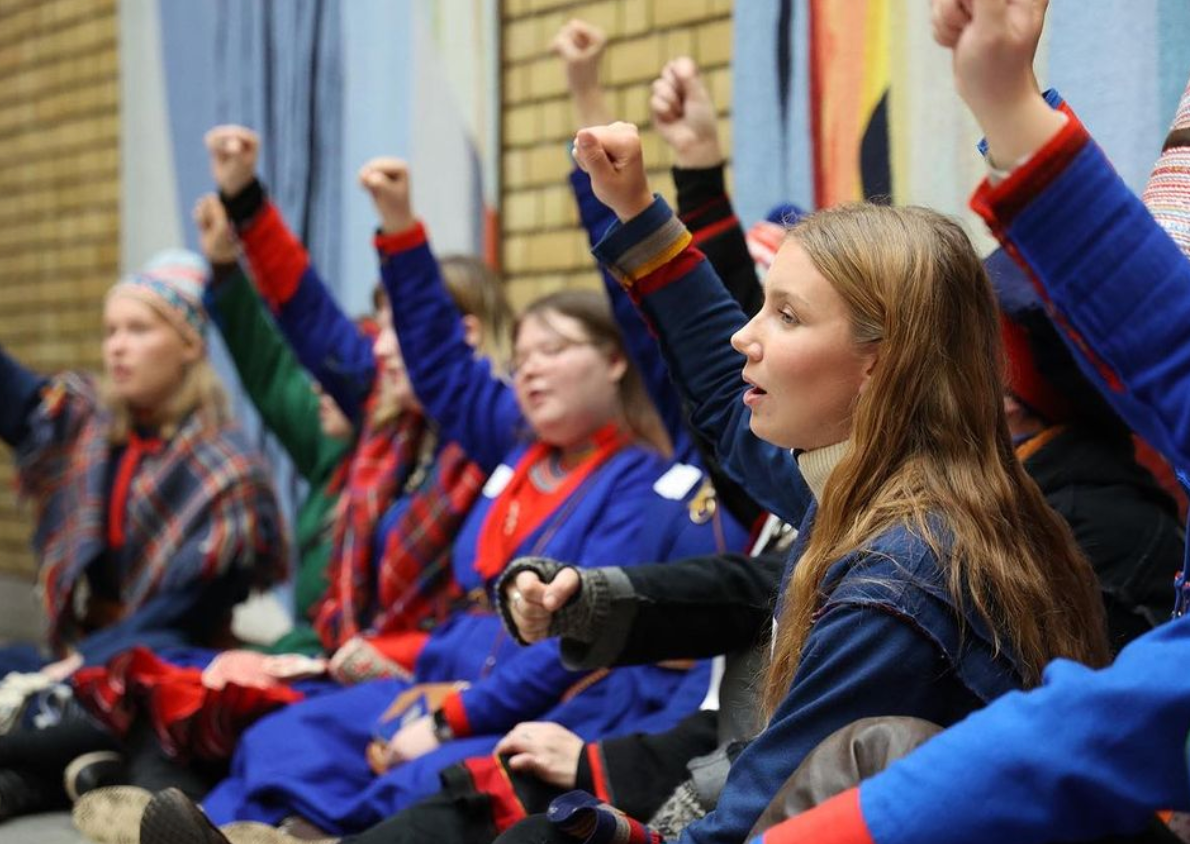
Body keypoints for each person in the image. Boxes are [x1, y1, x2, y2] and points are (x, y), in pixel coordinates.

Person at [167, 152, 744, 838]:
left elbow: (668, 327)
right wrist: (390, 226)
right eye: (524, 356)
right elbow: (399, 347)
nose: (530, 371)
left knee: (416, 783)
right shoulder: (511, 446)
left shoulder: (644, 480)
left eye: (554, 351)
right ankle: (233, 828)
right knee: (276, 733)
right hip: (434, 669)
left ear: (618, 360)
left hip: (529, 701)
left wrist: (448, 715)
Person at [0, 249, 288, 820]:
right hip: (84, 656)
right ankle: (80, 774)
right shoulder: (88, 427)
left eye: (138, 329)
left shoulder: (227, 469)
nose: (117, 346)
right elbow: (15, 398)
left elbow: (180, 616)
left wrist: (75, 666)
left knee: (65, 713)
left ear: (188, 345)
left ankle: (77, 770)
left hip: (163, 662)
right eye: (110, 331)